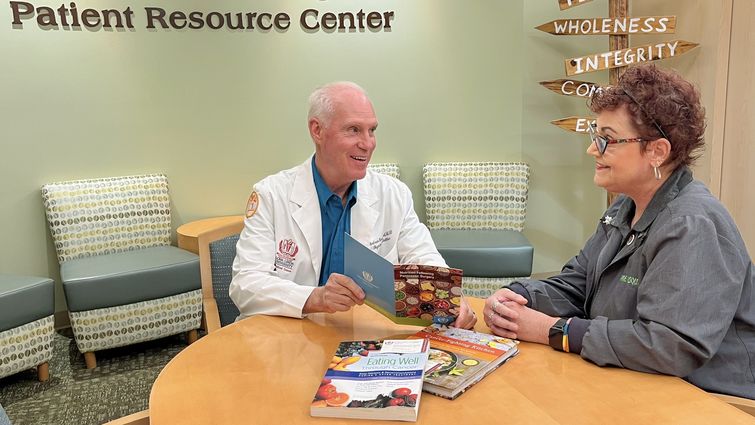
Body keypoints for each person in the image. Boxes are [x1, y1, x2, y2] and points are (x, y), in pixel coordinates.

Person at [484, 64, 754, 399]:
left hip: (711, 401)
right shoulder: (623, 209)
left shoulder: (693, 225)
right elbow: (578, 285)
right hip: (639, 383)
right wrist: (516, 297)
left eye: (608, 140)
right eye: (596, 137)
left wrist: (554, 331)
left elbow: (670, 346)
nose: (593, 149)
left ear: (657, 151)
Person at [230, 81, 477, 329]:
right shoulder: (271, 195)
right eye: (353, 130)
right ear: (317, 130)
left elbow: (423, 257)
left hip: (362, 335)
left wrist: (449, 297)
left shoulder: (394, 194)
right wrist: (315, 298)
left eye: (372, 130)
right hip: (287, 337)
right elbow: (246, 284)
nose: (367, 143)